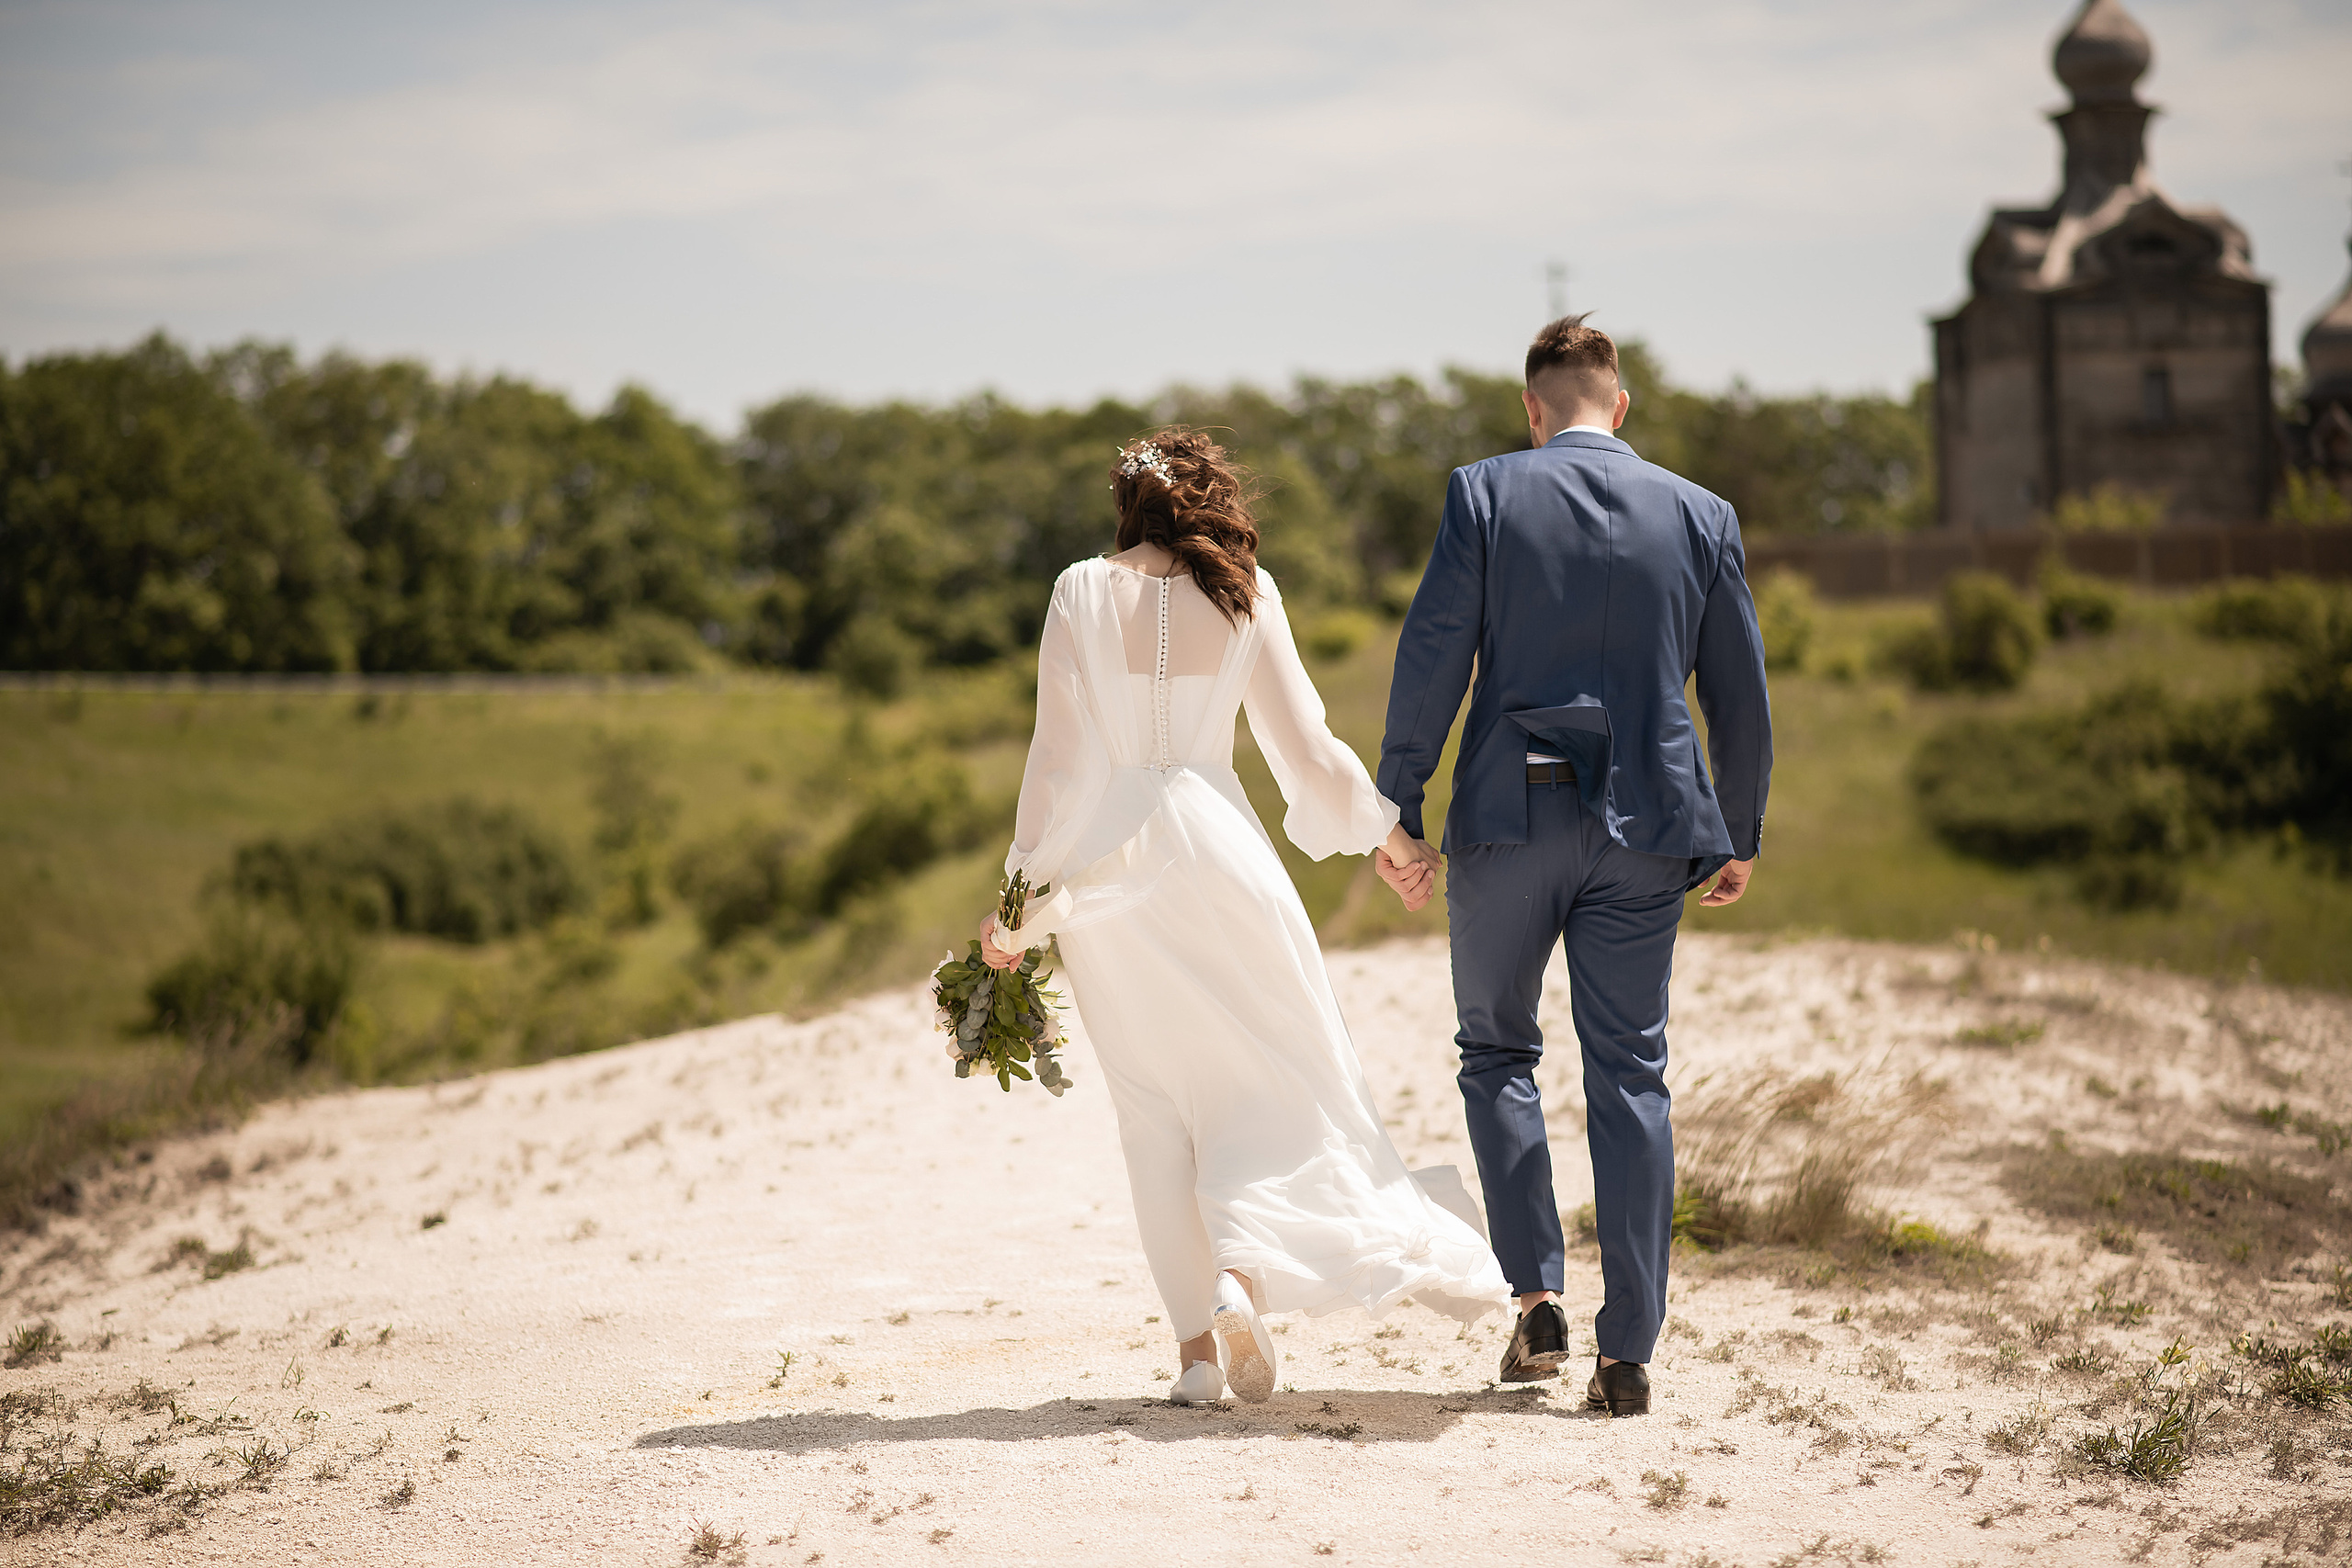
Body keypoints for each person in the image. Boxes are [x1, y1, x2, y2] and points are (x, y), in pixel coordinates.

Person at [979, 428, 1510, 1405]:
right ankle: (1241, 1281)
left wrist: (1018, 901)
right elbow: (1305, 749)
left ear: (1125, 503)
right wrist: (1391, 842)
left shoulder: (1077, 590)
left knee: (1151, 1115)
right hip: (1221, 851)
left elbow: (1055, 764)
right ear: (1209, 498)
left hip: (1109, 871)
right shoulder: (1245, 593)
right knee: (1262, 1090)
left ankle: (1193, 1360)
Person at [1374, 314, 1772, 1417]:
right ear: (1621, 406)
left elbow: (1432, 657)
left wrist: (1396, 806)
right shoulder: (1701, 514)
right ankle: (1630, 1353)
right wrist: (1737, 826)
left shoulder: (1485, 494)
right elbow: (1736, 688)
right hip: (1649, 827)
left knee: (1496, 1050)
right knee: (1630, 1074)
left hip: (1511, 817)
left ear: (1532, 408)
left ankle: (1537, 1297)